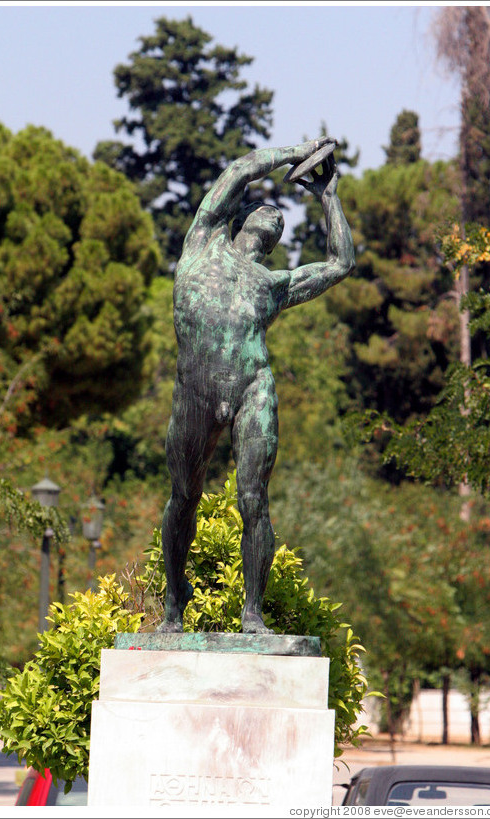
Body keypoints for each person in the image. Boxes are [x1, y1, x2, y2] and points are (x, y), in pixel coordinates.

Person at [158, 136, 355, 634]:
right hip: (195, 392)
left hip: (252, 387)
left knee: (253, 500)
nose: (275, 215)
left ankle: (253, 614)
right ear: (241, 218)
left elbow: (340, 265)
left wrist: (328, 195)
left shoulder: (273, 285)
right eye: (266, 210)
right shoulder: (201, 243)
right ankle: (172, 606)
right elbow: (240, 171)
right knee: (184, 497)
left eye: (280, 221)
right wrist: (294, 151)